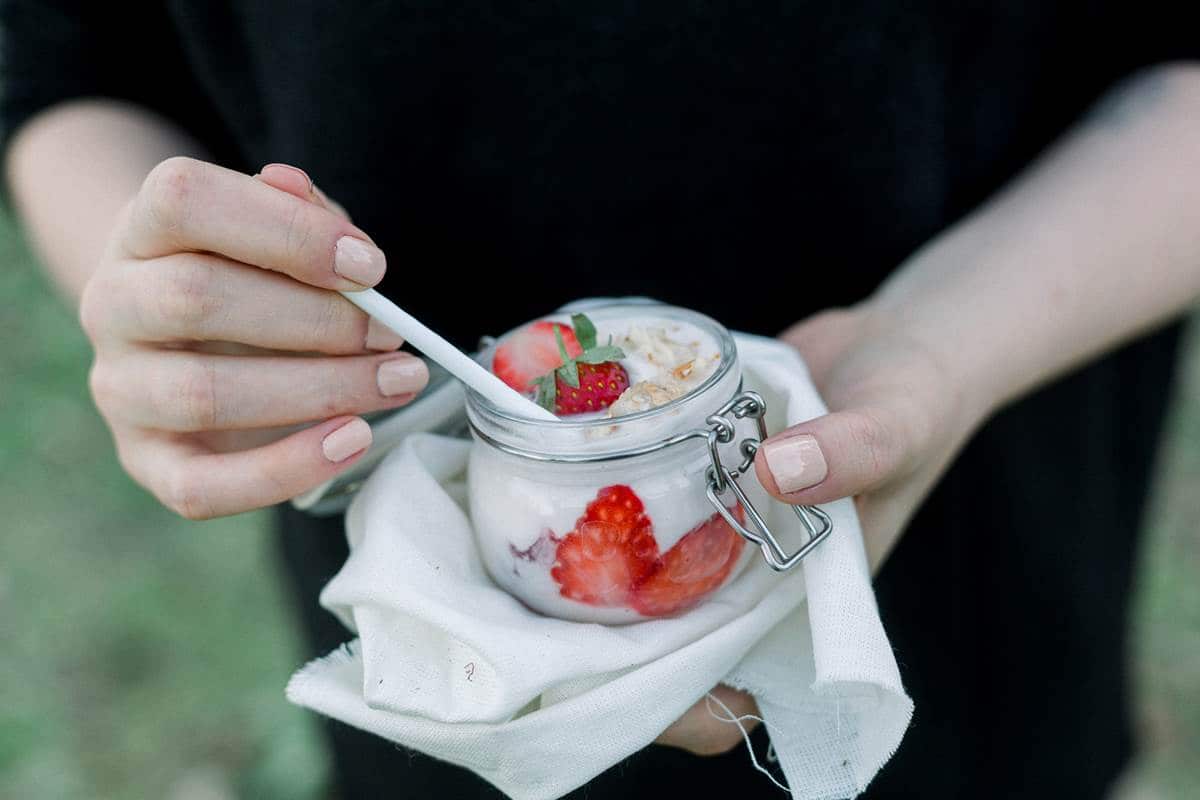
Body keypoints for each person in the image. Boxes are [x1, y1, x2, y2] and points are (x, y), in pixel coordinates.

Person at [3, 2, 1197, 797]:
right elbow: (67, 54)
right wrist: (174, 300)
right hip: (425, 669)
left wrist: (945, 348)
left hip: (974, 577)